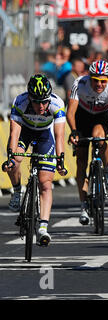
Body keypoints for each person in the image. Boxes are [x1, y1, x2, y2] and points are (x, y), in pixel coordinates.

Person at [2, 74, 67, 246]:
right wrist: (10, 157)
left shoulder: (57, 104)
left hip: (46, 136)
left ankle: (43, 228)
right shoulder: (20, 102)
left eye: (44, 101)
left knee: (45, 183)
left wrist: (61, 160)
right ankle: (17, 191)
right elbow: (14, 134)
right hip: (26, 132)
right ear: (29, 97)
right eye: (37, 102)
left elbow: (60, 136)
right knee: (15, 159)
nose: (41, 106)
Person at [67, 60, 108, 226]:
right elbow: (70, 112)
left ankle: (107, 171)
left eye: (103, 81)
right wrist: (73, 131)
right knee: (81, 161)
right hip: (82, 116)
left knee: (99, 137)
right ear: (90, 77)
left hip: (102, 117)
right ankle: (83, 205)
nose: (99, 84)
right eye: (96, 80)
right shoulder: (80, 83)